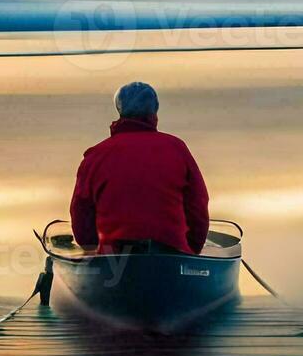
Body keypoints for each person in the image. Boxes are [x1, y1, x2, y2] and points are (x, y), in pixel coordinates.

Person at [70, 82, 210, 255]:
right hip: (171, 252)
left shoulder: (96, 156)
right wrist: (191, 250)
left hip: (114, 257)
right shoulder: (176, 148)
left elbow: (81, 212)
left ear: (119, 110)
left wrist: (91, 248)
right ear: (154, 112)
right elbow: (198, 204)